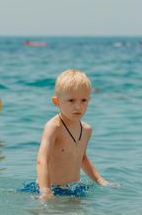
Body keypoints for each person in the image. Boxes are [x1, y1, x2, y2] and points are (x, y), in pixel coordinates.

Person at [35, 69, 112, 200]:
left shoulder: (86, 129)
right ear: (57, 102)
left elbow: (82, 158)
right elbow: (42, 160)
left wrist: (99, 180)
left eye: (83, 100)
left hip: (73, 187)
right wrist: (45, 190)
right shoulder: (54, 127)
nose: (78, 106)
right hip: (51, 187)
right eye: (71, 100)